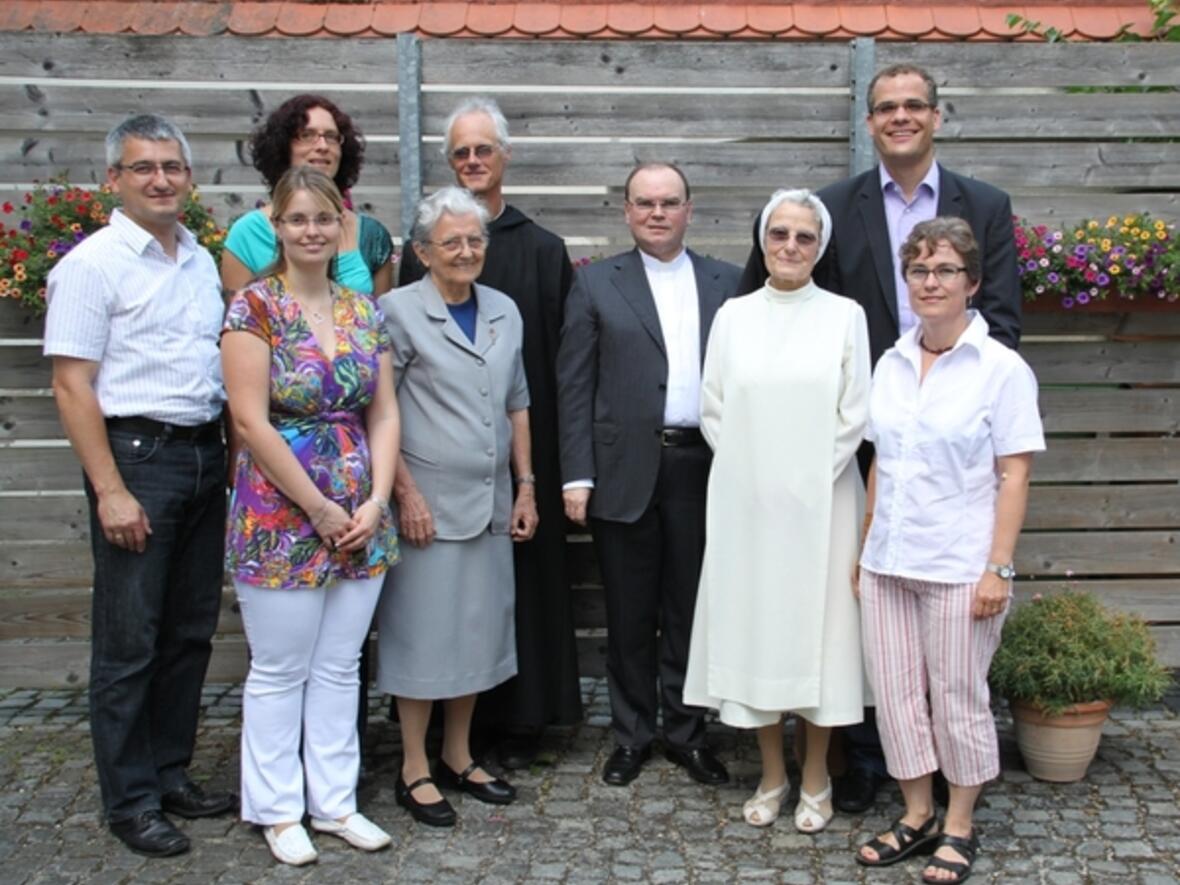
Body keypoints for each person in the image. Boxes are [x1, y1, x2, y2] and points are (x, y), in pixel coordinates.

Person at [738, 63, 1023, 814]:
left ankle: (952, 792)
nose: (900, 117)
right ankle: (868, 763)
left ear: (936, 115)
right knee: (866, 623)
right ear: (869, 122)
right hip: (859, 437)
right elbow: (787, 306)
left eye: (913, 106)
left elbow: (1006, 318)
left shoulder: (986, 206)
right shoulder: (831, 207)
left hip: (954, 436)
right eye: (885, 107)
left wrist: (964, 397)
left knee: (950, 645)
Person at [44, 114, 235, 857]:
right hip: (137, 457)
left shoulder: (197, 259)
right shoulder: (93, 265)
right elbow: (69, 385)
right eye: (143, 167)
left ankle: (168, 772)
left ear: (188, 179)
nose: (160, 179)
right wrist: (110, 488)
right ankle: (130, 800)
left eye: (173, 167)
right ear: (113, 181)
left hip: (200, 455)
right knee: (128, 641)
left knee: (187, 632)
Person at [854, 217, 1044, 884]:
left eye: (944, 271)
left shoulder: (1001, 369)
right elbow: (881, 458)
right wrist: (865, 540)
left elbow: (1014, 474)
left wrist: (999, 566)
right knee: (898, 695)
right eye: (919, 270)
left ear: (973, 282)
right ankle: (915, 812)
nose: (930, 282)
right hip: (887, 562)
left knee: (958, 697)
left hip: (961, 565)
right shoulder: (892, 360)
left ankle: (959, 821)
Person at [221, 166, 401, 866]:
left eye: (323, 219)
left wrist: (377, 500)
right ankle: (276, 806)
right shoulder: (254, 307)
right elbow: (249, 418)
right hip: (281, 510)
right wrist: (319, 507)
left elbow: (382, 410)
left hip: (361, 506)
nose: (311, 231)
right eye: (297, 219)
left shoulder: (363, 308)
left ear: (341, 227)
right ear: (276, 224)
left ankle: (335, 800)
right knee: (279, 666)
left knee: (338, 665)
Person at [397, 97, 581, 768]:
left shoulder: (531, 264)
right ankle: (428, 754)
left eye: (484, 149)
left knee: (495, 612)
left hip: (509, 474)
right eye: (460, 152)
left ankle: (492, 736)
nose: (473, 160)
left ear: (506, 156)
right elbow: (387, 399)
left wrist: (533, 480)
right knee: (429, 618)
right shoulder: (407, 284)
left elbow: (537, 383)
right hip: (432, 484)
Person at [684, 189, 871, 833]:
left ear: (820, 248)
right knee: (757, 630)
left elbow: (855, 413)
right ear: (762, 241)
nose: (790, 247)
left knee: (821, 637)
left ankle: (816, 775)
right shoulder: (732, 316)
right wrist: (758, 475)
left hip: (826, 501)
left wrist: (807, 478)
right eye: (780, 234)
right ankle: (771, 773)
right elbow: (714, 409)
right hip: (749, 503)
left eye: (805, 237)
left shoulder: (846, 316)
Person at [557, 163, 740, 787]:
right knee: (629, 613)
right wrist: (575, 475)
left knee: (692, 608)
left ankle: (688, 733)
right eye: (645, 203)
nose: (657, 213)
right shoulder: (595, 284)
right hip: (622, 470)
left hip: (702, 466)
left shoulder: (729, 283)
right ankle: (632, 734)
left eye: (669, 202)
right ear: (627, 212)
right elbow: (573, 385)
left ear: (691, 209)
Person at [376, 186, 538, 828]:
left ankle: (458, 754)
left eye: (475, 240)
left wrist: (526, 485)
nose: (467, 251)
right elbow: (378, 412)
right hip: (428, 507)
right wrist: (404, 493)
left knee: (475, 631)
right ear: (421, 252)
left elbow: (517, 401)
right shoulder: (396, 311)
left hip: (491, 501)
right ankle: (413, 765)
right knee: (422, 636)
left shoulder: (503, 309)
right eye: (452, 242)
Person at [220, 94, 394, 295]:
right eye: (307, 135)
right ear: (282, 146)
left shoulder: (372, 237)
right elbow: (238, 316)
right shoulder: (247, 234)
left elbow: (382, 320)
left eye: (331, 136)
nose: (322, 146)